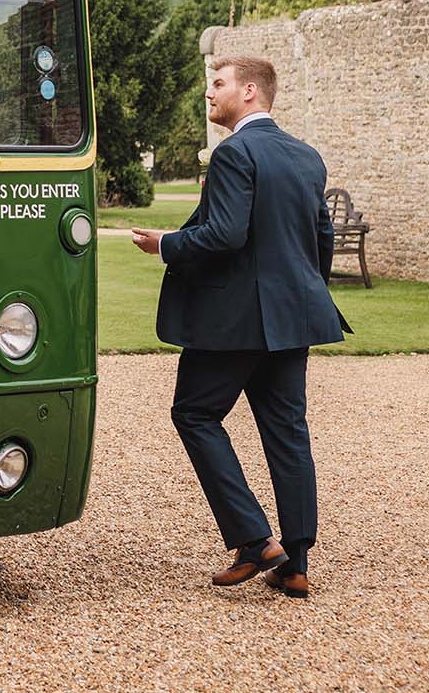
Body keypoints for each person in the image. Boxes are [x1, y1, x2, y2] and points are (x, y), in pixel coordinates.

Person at [130, 55, 349, 599]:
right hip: (293, 318)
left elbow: (225, 235)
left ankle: (254, 540)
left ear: (250, 91)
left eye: (218, 83)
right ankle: (295, 563)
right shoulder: (307, 156)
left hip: (233, 322)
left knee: (194, 414)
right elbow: (321, 240)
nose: (210, 93)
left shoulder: (234, 152)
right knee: (287, 432)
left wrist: (166, 244)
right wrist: (300, 296)